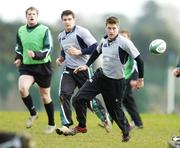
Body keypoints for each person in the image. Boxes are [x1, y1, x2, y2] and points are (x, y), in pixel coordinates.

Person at [71, 16, 144, 142]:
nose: (111, 31)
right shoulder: (104, 40)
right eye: (109, 28)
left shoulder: (125, 42)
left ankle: (126, 132)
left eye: (114, 28)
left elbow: (140, 60)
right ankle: (81, 126)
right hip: (101, 77)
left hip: (116, 82)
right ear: (106, 28)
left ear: (118, 28)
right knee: (78, 99)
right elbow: (96, 52)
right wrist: (86, 65)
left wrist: (140, 79)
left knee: (114, 110)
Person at [55, 10, 112, 135]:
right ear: (62, 21)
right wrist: (61, 59)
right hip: (69, 71)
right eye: (65, 19)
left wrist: (80, 52)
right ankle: (66, 125)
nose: (67, 22)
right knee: (63, 94)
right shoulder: (61, 36)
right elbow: (64, 51)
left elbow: (95, 47)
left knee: (88, 100)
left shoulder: (81, 32)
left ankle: (104, 118)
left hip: (83, 69)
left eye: (69, 19)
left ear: (74, 19)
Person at [14, 6, 56, 134]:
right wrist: (18, 57)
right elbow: (19, 47)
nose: (31, 16)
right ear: (26, 16)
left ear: (37, 16)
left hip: (43, 66)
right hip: (27, 67)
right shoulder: (21, 30)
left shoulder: (44, 30)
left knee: (45, 96)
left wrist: (36, 54)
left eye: (34, 14)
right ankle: (33, 113)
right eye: (29, 14)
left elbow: (49, 49)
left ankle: (51, 124)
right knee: (22, 88)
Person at [120, 30, 143, 129]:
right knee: (128, 102)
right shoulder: (119, 48)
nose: (123, 39)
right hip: (121, 78)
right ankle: (138, 123)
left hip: (129, 78)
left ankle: (109, 119)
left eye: (125, 37)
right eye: (121, 37)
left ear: (129, 39)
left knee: (117, 99)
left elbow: (136, 66)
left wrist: (136, 79)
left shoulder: (131, 49)